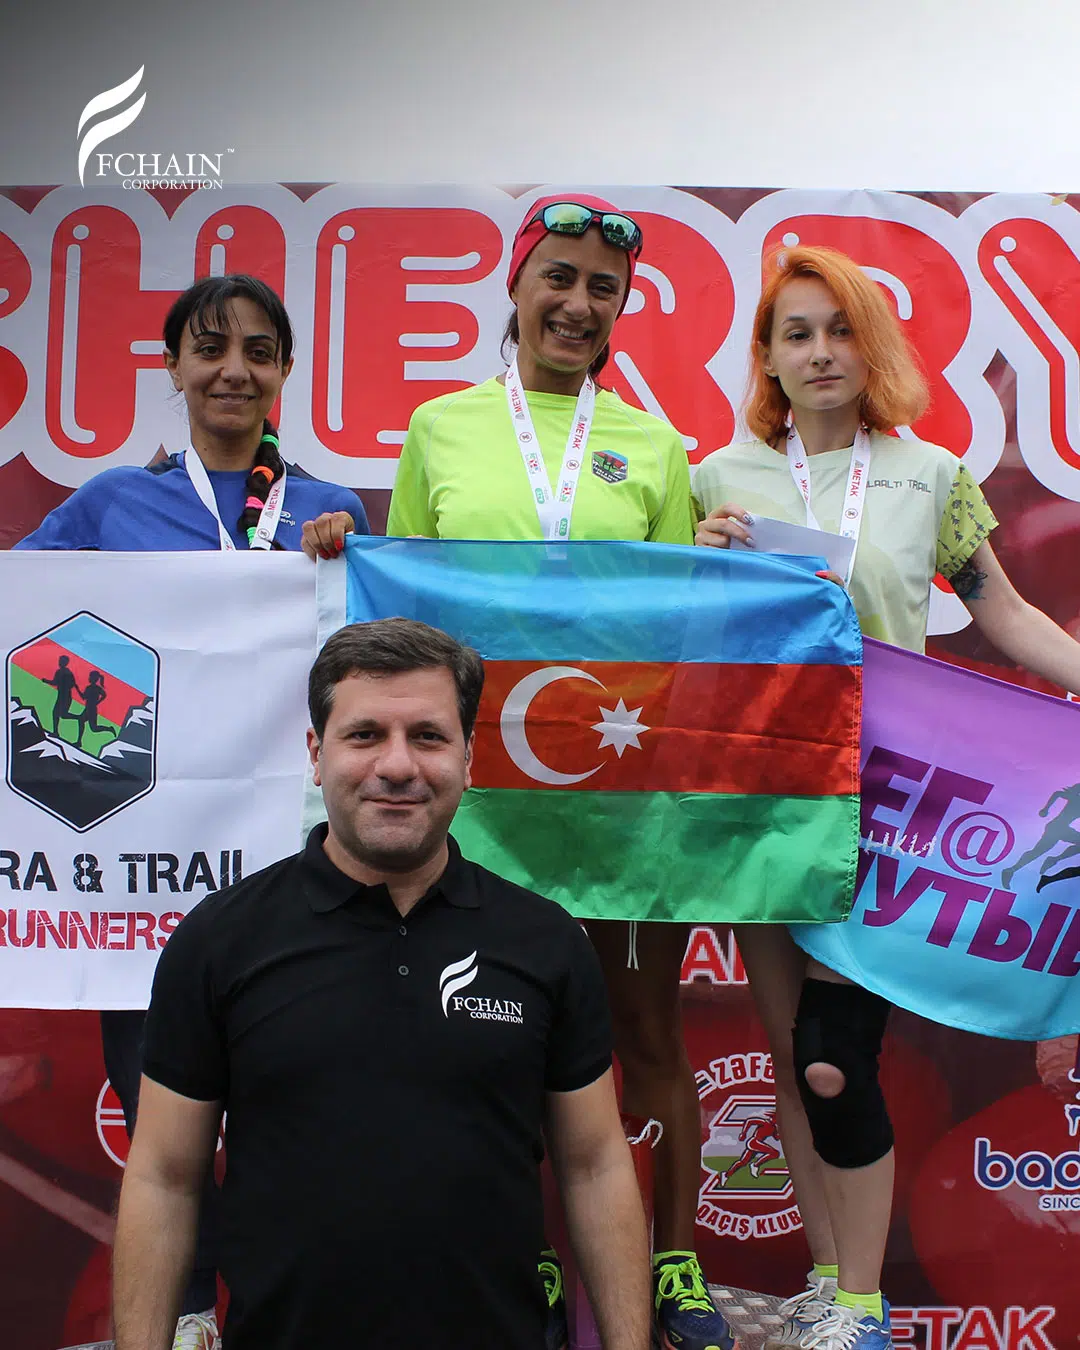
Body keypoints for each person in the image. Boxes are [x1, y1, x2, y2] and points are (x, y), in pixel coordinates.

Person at [694, 244, 1080, 1350]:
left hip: (889, 806)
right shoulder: (717, 479)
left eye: (841, 329)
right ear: (769, 356)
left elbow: (1006, 615)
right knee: (789, 1057)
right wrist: (701, 563)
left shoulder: (931, 475)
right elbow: (687, 640)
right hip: (764, 798)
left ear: (873, 347)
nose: (821, 351)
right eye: (797, 333)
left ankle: (859, 1309)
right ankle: (828, 1287)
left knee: (831, 1055)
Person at [387, 197, 731, 1350]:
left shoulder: (655, 445)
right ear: (518, 286)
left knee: (647, 1034)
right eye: (560, 279)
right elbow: (403, 613)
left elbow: (680, 627)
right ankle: (522, 1256)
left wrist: (725, 565)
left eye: (603, 290)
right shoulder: (440, 428)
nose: (579, 305)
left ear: (622, 309)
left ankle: (675, 1265)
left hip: (622, 788)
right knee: (495, 1032)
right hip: (485, 797)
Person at [112, 617, 652, 1350]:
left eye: (427, 737)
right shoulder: (220, 940)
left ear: (468, 757)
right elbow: (164, 1178)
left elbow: (593, 1167)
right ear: (316, 754)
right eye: (364, 735)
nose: (397, 766)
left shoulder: (546, 942)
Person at [16, 272, 368, 1350]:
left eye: (258, 351)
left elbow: (380, 667)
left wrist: (350, 564)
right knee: (157, 1108)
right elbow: (18, 621)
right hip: (143, 863)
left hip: (296, 858)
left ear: (286, 371)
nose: (233, 370)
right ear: (172, 367)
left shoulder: (331, 509)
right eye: (209, 348)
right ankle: (183, 1315)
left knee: (291, 1102)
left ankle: (274, 1310)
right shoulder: (112, 503)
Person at [75, 669, 108, 748]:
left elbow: (104, 695)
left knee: (94, 728)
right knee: (81, 720)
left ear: (94, 678)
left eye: (90, 677)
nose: (89, 678)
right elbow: (84, 697)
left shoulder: (96, 688)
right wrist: (77, 689)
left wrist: (98, 702)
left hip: (92, 710)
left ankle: (109, 729)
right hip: (88, 708)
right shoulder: (89, 687)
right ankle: (79, 742)